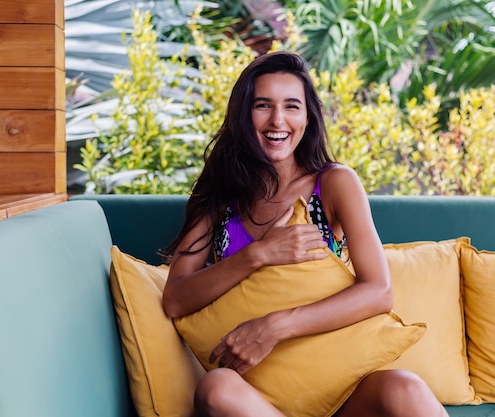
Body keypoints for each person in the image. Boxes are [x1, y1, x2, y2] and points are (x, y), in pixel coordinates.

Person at [162, 51, 448, 417]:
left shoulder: (334, 184)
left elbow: (379, 291)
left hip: (342, 392)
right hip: (254, 399)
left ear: (308, 116)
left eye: (291, 106)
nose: (277, 120)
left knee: (405, 388)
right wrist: (258, 254)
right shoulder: (220, 195)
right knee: (216, 388)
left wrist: (275, 326)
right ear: (242, 114)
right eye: (262, 105)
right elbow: (175, 298)